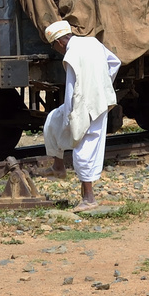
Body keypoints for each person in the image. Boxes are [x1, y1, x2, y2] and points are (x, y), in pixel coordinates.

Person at [41, 19, 121, 209]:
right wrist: (102, 84)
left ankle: (89, 198)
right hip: (99, 100)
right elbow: (114, 62)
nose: (56, 50)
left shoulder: (71, 54)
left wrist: (70, 116)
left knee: (83, 150)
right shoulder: (92, 42)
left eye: (54, 46)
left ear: (59, 42)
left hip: (83, 106)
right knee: (52, 120)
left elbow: (71, 90)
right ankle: (58, 166)